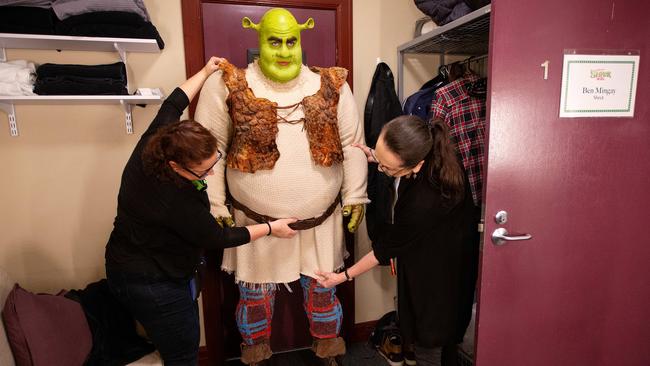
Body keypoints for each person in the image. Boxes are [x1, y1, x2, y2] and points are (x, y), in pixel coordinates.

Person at [194, 8, 369, 366]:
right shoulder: (227, 84)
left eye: (292, 41)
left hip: (321, 222)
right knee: (254, 297)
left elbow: (353, 144)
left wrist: (354, 195)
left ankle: (328, 351)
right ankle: (254, 354)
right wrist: (214, 203)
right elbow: (208, 150)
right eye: (275, 41)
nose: (285, 51)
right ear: (258, 39)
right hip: (255, 225)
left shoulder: (332, 84)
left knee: (324, 292)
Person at [104, 57, 298, 366]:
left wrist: (206, 71)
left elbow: (174, 102)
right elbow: (218, 236)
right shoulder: (172, 199)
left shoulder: (158, 140)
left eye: (213, 163)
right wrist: (272, 228)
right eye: (202, 172)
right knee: (183, 353)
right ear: (175, 166)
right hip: (150, 280)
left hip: (146, 262)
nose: (209, 175)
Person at [316, 115, 479, 366]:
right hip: (446, 260)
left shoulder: (423, 202)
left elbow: (383, 250)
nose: (381, 169)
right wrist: (375, 156)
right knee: (445, 340)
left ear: (416, 165)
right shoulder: (438, 153)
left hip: (437, 279)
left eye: (386, 167)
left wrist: (341, 277)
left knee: (429, 343)